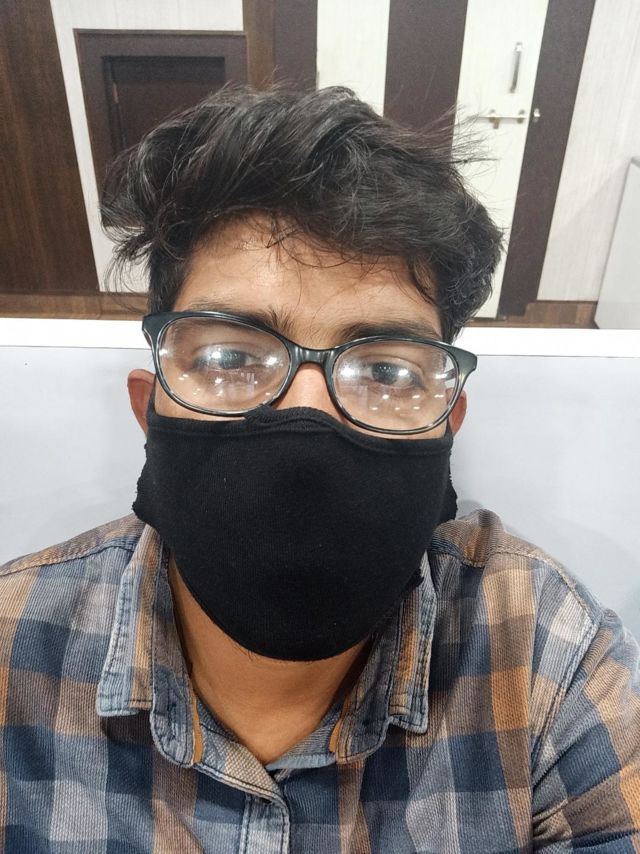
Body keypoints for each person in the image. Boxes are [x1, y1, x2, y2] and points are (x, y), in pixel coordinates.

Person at [0, 86, 638, 853]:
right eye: (230, 357)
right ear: (150, 408)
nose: (309, 412)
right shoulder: (13, 646)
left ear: (447, 424)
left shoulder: (545, 653)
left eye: (387, 371)